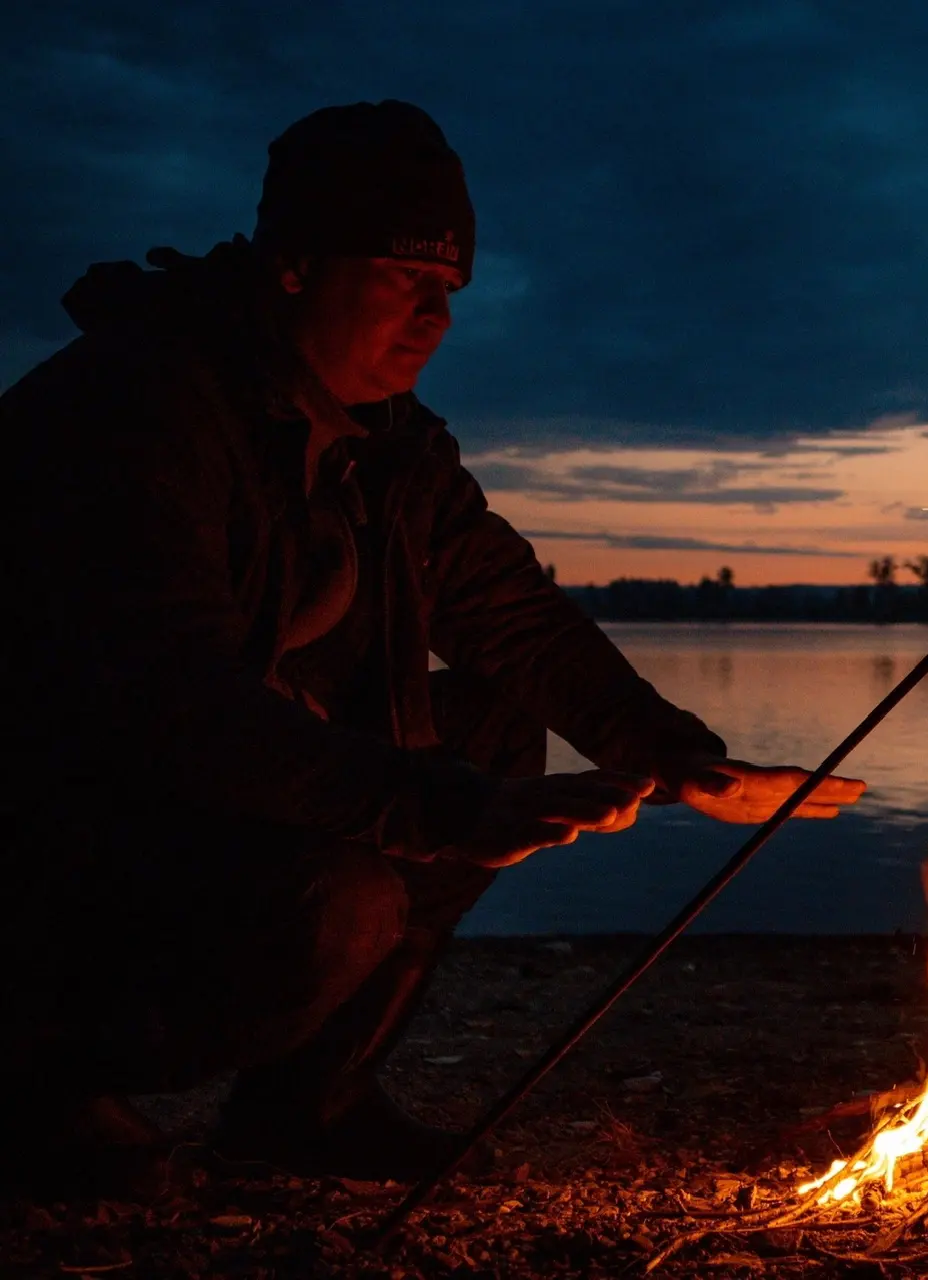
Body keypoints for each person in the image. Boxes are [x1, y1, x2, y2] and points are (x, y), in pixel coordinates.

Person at [0, 100, 864, 1197]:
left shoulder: (390, 447)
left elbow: (513, 616)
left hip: (183, 799)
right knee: (347, 893)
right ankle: (36, 1087)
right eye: (404, 276)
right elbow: (176, 705)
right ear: (296, 265)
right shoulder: (138, 409)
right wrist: (438, 805)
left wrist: (677, 753)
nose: (434, 316)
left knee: (495, 728)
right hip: (57, 831)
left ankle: (303, 1108)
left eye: (449, 289)